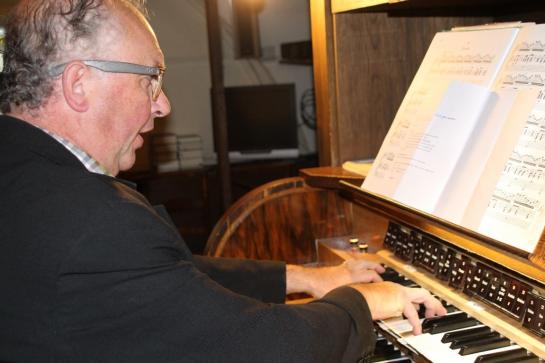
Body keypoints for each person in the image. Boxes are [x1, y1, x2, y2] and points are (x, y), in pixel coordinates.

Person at [0, 1, 446, 362]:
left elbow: (161, 278)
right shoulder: (91, 219)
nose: (164, 106)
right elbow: (263, 348)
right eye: (150, 80)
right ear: (79, 84)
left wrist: (309, 278)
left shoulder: (24, 173)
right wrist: (360, 305)